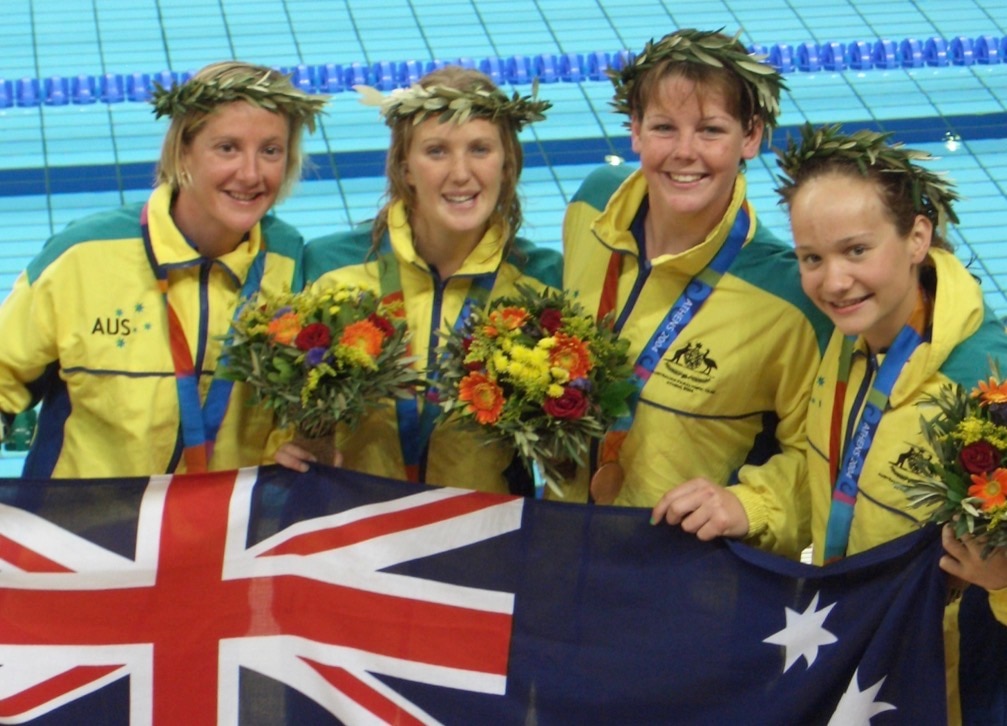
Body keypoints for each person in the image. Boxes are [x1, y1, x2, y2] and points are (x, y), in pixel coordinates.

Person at [653, 124, 1007, 724]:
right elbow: (833, 473)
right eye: (812, 258)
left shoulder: (984, 382)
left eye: (857, 250)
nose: (833, 282)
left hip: (955, 687)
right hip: (863, 651)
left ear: (917, 236)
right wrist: (747, 506)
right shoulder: (850, 342)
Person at [560, 28, 830, 557]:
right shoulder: (591, 206)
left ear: (750, 137)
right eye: (664, 127)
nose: (685, 153)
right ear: (634, 130)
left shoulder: (788, 296)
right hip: (565, 542)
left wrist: (749, 505)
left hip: (686, 575)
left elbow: (823, 462)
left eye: (710, 130)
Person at [0, 61, 327, 478]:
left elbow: (303, 406)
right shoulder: (84, 255)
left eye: (270, 151)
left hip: (223, 531)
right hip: (81, 531)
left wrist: (296, 443)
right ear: (183, 150)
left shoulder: (292, 265)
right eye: (227, 147)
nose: (250, 174)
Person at [276, 66, 562, 495]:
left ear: (507, 165)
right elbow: (291, 413)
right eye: (437, 151)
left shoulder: (542, 283)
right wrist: (298, 443)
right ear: (405, 168)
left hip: (485, 540)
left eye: (480, 149)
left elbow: (566, 460)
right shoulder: (331, 267)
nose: (461, 173)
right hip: (355, 535)